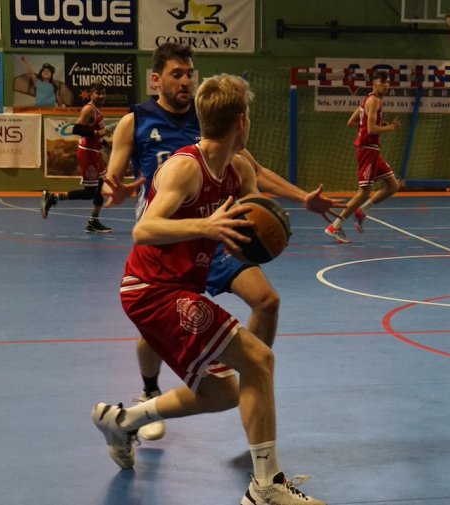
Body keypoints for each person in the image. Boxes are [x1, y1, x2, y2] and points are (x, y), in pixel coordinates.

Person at [92, 73, 325, 505]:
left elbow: (253, 208)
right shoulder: (185, 167)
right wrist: (208, 225)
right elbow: (143, 230)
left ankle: (124, 420)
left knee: (224, 392)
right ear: (242, 120)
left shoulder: (237, 166)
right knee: (259, 359)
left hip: (183, 283)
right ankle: (266, 486)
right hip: (151, 288)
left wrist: (260, 233)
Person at [324, 69, 401, 244]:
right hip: (367, 150)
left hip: (372, 149)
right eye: (383, 83)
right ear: (374, 83)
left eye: (388, 83)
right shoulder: (373, 101)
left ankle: (363, 210)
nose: (386, 86)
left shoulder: (367, 99)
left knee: (393, 185)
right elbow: (372, 129)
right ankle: (334, 226)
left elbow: (352, 122)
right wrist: (390, 127)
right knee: (363, 192)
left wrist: (366, 127)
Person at [41, 80, 112, 233]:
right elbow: (76, 128)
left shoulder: (98, 110)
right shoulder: (89, 110)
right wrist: (97, 133)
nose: (101, 96)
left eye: (103, 93)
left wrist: (104, 142)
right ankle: (53, 197)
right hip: (87, 153)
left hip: (94, 152)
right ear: (91, 94)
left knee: (101, 188)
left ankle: (93, 222)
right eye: (98, 93)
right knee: (89, 192)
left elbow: (94, 132)